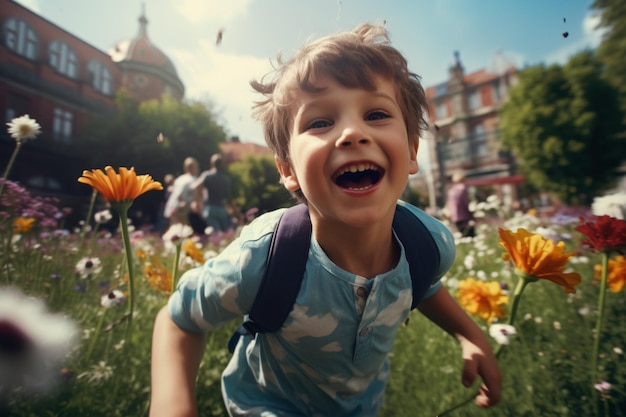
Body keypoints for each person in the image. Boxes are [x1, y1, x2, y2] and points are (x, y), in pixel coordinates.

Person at [150, 23, 501, 416]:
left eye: (377, 113)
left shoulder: (428, 244)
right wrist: (172, 404)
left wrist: (469, 334)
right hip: (268, 405)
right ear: (288, 170)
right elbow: (178, 319)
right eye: (319, 122)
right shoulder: (262, 257)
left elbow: (423, 284)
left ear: (413, 150)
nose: (352, 132)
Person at [192, 153, 234, 232]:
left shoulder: (206, 175)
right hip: (222, 210)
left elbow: (195, 186)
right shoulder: (225, 179)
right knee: (226, 235)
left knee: (216, 236)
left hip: (210, 209)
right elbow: (229, 199)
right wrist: (237, 214)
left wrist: (197, 202)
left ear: (212, 163)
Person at [163, 157, 205, 232]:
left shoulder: (179, 179)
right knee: (187, 231)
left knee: (178, 231)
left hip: (173, 210)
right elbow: (182, 195)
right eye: (196, 166)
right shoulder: (194, 179)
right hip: (185, 210)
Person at [446, 170, 475, 237]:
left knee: (463, 235)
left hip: (455, 216)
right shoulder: (463, 188)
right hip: (465, 216)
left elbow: (449, 203)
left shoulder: (451, 190)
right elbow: (466, 203)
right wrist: (471, 215)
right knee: (470, 236)